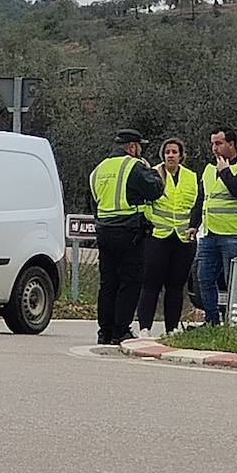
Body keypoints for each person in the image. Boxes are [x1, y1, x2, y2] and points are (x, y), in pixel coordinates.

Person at [89, 129, 164, 345]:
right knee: (129, 282)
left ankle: (104, 331)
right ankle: (121, 330)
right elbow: (155, 189)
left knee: (108, 283)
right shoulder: (134, 166)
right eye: (139, 146)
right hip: (130, 232)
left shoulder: (98, 170)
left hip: (104, 231)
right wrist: (152, 171)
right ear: (132, 147)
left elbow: (94, 202)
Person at [136, 138, 202, 338]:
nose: (171, 155)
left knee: (175, 286)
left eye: (174, 152)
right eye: (167, 152)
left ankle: (172, 328)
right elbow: (146, 203)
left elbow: (197, 204)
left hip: (182, 239)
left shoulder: (191, 177)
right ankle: (144, 327)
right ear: (163, 155)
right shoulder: (153, 174)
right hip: (157, 237)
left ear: (181, 155)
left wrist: (193, 226)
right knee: (151, 284)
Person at [196, 126, 237, 326]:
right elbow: (202, 199)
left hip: (235, 234)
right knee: (204, 278)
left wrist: (225, 172)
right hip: (209, 233)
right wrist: (192, 224)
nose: (214, 148)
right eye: (212, 143)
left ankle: (235, 323)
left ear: (231, 144)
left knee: (235, 281)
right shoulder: (208, 168)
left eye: (219, 143)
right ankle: (211, 321)